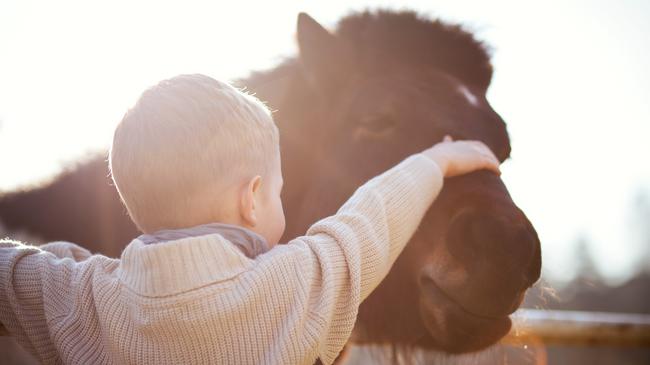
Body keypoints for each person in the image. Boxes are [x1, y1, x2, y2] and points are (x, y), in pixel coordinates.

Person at [0, 74, 501, 364]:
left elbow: (13, 273)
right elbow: (370, 220)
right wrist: (436, 162)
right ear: (253, 199)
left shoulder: (84, 299)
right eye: (278, 191)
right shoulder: (289, 289)